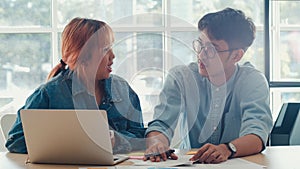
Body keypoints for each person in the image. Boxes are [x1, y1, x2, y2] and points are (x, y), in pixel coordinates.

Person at [144, 8, 273, 164]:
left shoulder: (252, 81)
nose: (201, 54)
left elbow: (257, 135)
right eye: (200, 45)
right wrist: (158, 143)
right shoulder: (181, 77)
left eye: (212, 49)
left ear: (236, 55)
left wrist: (226, 149)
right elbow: (161, 124)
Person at [6, 17, 146, 154]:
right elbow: (15, 140)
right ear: (82, 56)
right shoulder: (49, 94)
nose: (113, 56)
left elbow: (140, 136)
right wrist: (68, 143)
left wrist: (117, 140)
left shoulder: (122, 89)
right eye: (105, 50)